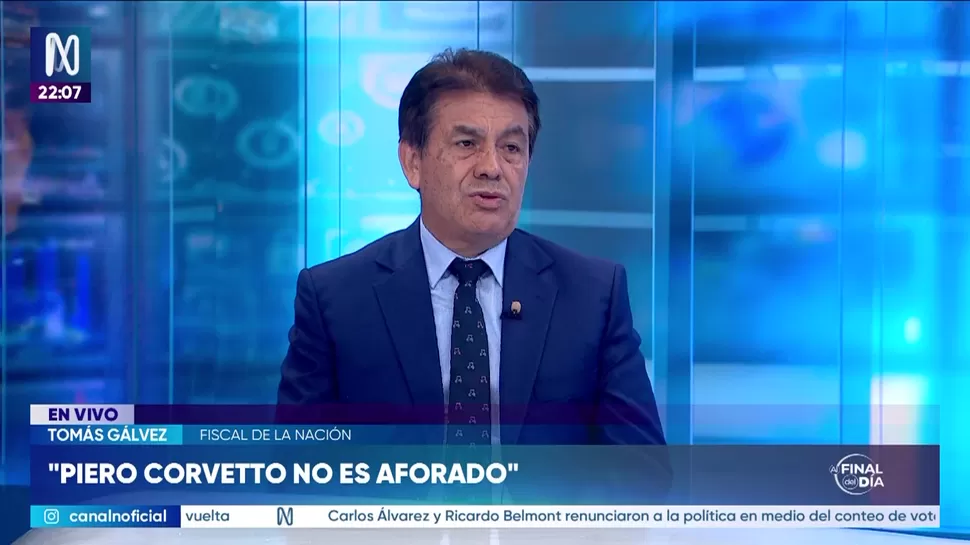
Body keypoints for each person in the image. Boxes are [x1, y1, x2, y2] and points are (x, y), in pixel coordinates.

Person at [278, 49, 667, 461]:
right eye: (467, 144)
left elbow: (641, 469)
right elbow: (296, 468)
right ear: (413, 161)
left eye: (511, 148)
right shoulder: (336, 298)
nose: (492, 168)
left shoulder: (593, 296)